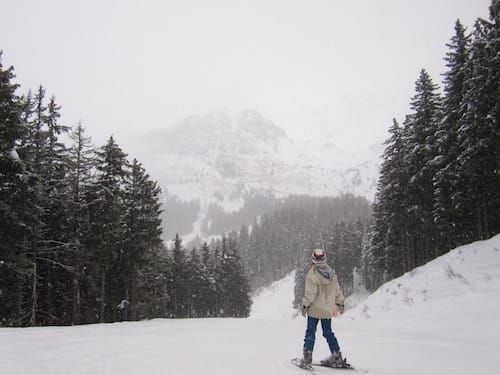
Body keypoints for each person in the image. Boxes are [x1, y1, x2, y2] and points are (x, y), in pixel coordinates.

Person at [299, 248, 346, 369]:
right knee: (328, 332)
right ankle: (337, 356)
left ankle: (307, 359)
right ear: (325, 257)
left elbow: (310, 293)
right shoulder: (332, 273)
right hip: (327, 309)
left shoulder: (312, 273)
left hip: (314, 309)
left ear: (313, 259)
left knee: (310, 333)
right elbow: (337, 289)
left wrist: (305, 305)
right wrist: (340, 302)